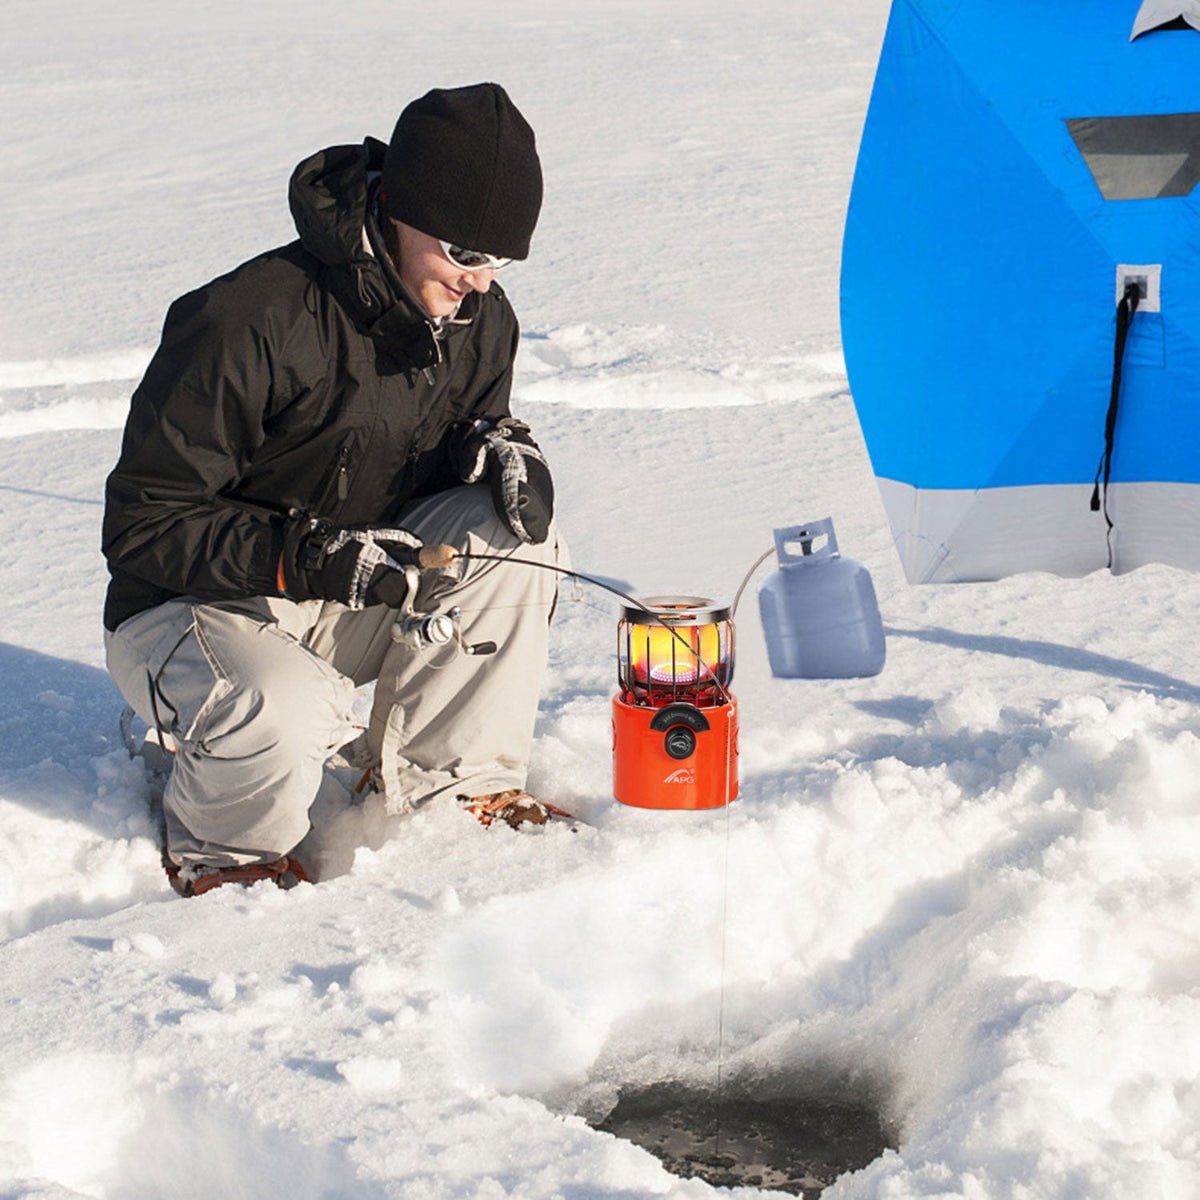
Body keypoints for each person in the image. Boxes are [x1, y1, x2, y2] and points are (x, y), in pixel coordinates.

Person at [102, 82, 565, 897]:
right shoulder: (249, 318)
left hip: (342, 587)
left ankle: (453, 791)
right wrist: (305, 555)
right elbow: (145, 525)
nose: (481, 283)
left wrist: (493, 448)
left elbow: (450, 433)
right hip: (191, 609)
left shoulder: (479, 321)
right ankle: (228, 856)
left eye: (500, 261)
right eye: (464, 253)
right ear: (397, 209)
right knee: (277, 706)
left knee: (514, 544)